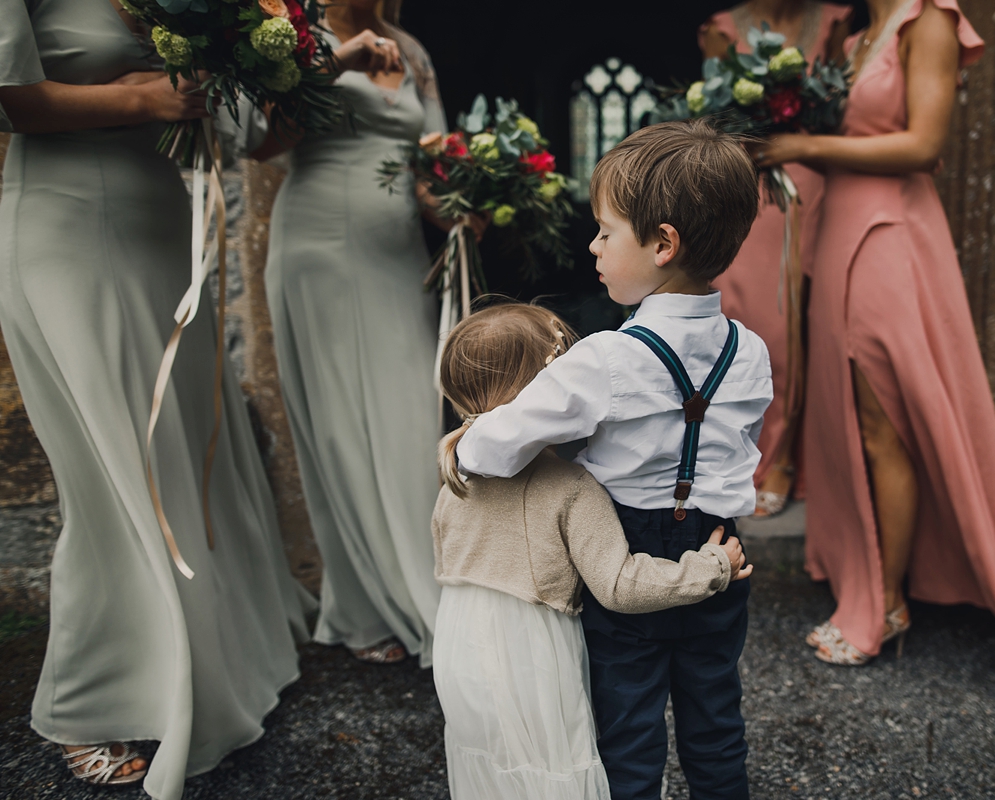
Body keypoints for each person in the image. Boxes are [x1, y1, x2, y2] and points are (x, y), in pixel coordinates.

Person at [0, 0, 314, 795]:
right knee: (115, 473)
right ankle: (87, 704)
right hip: (67, 224)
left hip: (161, 220)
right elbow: (13, 96)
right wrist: (146, 97)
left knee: (186, 457)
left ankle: (214, 664)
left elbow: (239, 121)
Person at [457, 120, 771, 800]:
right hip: (721, 549)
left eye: (605, 231)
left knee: (625, 728)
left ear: (662, 244)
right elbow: (738, 446)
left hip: (622, 555)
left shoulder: (603, 358)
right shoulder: (751, 349)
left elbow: (502, 445)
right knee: (715, 719)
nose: (593, 247)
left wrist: (464, 443)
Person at [753, 0, 995, 668]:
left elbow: (924, 144)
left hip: (888, 234)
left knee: (882, 421)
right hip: (838, 226)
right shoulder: (860, 34)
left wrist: (802, 146)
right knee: (843, 421)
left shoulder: (930, 21)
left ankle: (887, 603)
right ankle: (862, 570)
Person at [431, 302, 752, 799]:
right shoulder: (571, 487)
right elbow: (619, 584)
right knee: (577, 754)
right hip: (538, 650)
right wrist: (710, 567)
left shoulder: (455, 478)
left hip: (462, 648)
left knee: (501, 758)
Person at [249, 0, 481, 666]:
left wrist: (469, 206)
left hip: (399, 254)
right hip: (318, 246)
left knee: (411, 419)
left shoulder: (412, 49)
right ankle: (368, 607)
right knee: (341, 424)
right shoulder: (294, 35)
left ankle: (427, 587)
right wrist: (330, 64)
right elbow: (262, 141)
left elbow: (426, 173)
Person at [698, 0, 852, 517]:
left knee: (786, 328)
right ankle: (724, 454)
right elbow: (714, 116)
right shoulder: (720, 30)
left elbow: (842, 113)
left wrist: (799, 139)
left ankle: (781, 459)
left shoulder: (834, 21)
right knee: (732, 316)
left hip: (804, 183)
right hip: (743, 181)